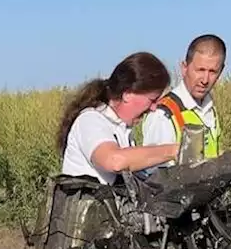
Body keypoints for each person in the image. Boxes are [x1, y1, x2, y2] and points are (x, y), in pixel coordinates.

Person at [56, 52, 179, 185]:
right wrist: (174, 150)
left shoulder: (121, 129)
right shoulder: (90, 120)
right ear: (127, 94)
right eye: (152, 100)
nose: (154, 108)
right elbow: (115, 161)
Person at [141, 34, 226, 161]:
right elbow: (155, 173)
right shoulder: (163, 114)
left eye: (212, 72)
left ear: (221, 71)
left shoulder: (209, 107)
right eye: (200, 70)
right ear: (184, 68)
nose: (205, 80)